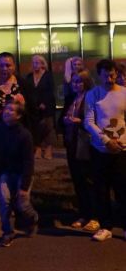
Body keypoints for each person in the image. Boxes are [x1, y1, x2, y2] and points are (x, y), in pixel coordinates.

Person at [84, 59, 126, 243]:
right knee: (101, 189)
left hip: (122, 149)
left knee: (123, 189)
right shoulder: (93, 94)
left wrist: (121, 141)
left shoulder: (124, 93)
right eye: (106, 75)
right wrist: (106, 140)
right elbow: (89, 121)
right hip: (100, 149)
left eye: (112, 75)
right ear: (99, 75)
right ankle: (105, 226)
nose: (110, 79)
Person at [0, 100, 38, 247]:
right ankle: (7, 233)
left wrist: (24, 186)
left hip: (21, 173)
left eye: (11, 110)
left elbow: (28, 162)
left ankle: (33, 219)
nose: (7, 112)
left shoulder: (24, 135)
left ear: (18, 116)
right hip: (5, 173)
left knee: (22, 204)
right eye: (6, 109)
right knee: (5, 202)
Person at [60, 70, 99, 232]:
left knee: (89, 181)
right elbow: (62, 118)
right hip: (72, 143)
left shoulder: (91, 98)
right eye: (74, 81)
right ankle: (84, 214)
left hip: (86, 144)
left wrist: (80, 121)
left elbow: (96, 120)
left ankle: (95, 216)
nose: (76, 85)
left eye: (79, 81)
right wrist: (65, 120)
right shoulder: (72, 98)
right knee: (78, 181)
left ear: (87, 82)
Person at [26, 55, 56, 160]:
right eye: (34, 62)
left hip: (47, 106)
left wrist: (44, 103)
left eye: (37, 62)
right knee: (36, 128)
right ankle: (38, 148)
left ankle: (48, 149)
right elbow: (28, 92)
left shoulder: (48, 75)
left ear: (43, 64)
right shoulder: (29, 76)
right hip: (34, 107)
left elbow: (50, 92)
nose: (35, 64)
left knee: (48, 127)